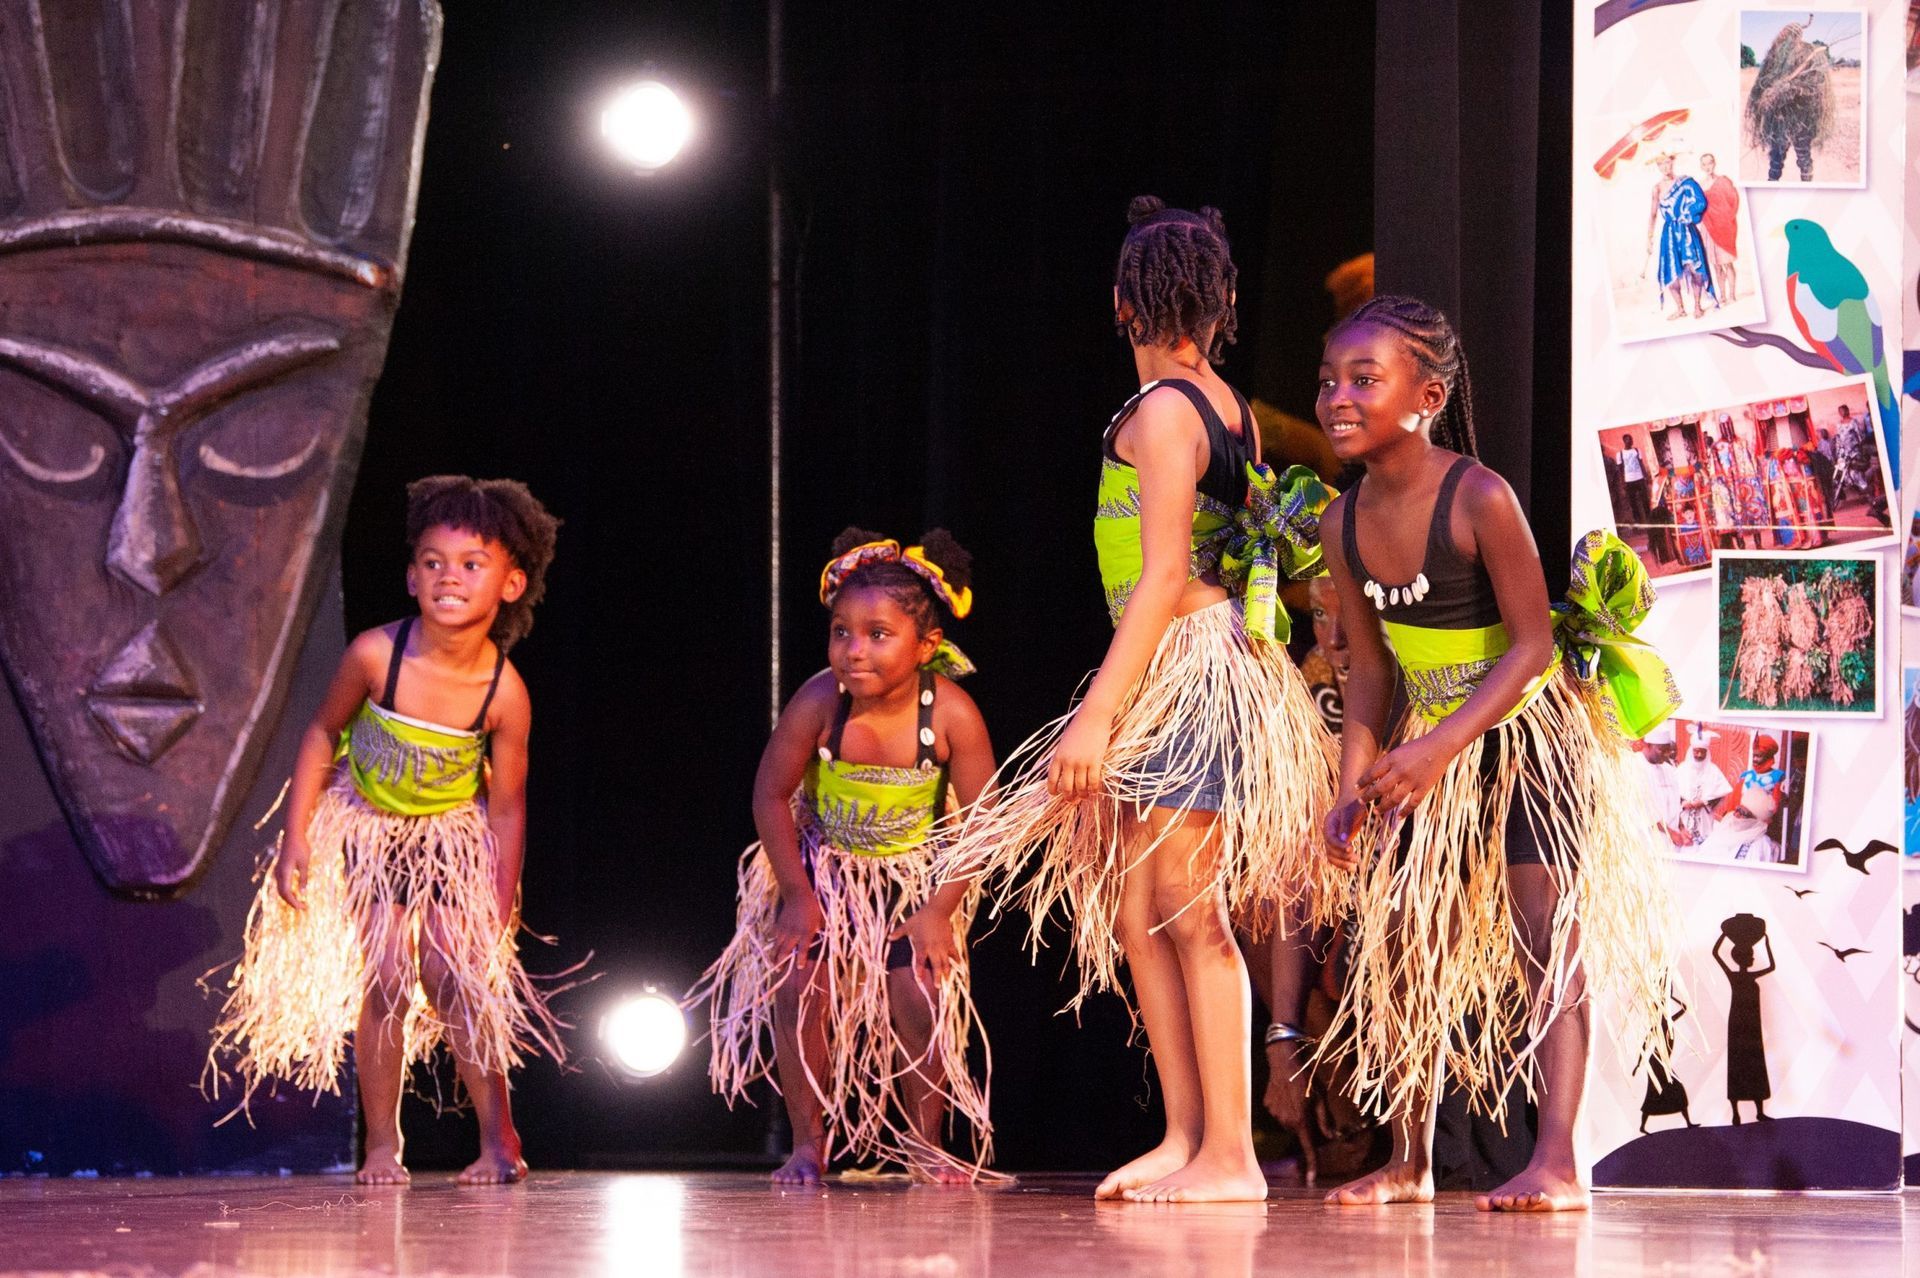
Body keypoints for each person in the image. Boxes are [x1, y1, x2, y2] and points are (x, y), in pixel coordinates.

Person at [924, 197, 1338, 1204]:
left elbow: (1159, 577)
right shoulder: (1221, 403)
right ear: (1224, 302)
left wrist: (1098, 713)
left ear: (1120, 303)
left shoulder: (1164, 411)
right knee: (1139, 914)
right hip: (1178, 666)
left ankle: (1231, 1154)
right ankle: (1186, 1136)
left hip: (1183, 668)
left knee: (1188, 914)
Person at [1311, 295, 1678, 1213]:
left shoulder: (1478, 496)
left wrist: (1439, 745)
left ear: (1426, 395)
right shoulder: (1340, 522)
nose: (1336, 398)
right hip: (1426, 746)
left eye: (1364, 380)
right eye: (1328, 381)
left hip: (1521, 737)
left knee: (1542, 940)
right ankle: (1409, 1158)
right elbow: (1369, 674)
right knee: (1403, 943)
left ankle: (1556, 1161)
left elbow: (1532, 646)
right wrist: (1356, 775)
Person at [206, 476, 565, 1185]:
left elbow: (507, 805)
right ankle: (381, 1145)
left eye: (471, 565)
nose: (449, 578)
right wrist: (296, 838)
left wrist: (498, 895)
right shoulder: (377, 655)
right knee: (388, 979)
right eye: (433, 563)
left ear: (512, 584)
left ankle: (499, 1139)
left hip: (448, 839)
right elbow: (320, 732)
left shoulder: (505, 694)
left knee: (453, 977)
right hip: (371, 831)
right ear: (410, 577)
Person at [691, 529, 997, 1185]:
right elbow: (770, 796)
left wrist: (941, 910)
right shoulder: (817, 702)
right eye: (841, 632)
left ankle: (926, 1142)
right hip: (827, 874)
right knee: (799, 985)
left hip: (912, 882)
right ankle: (807, 1143)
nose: (854, 651)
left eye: (877, 634)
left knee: (919, 994)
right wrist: (799, 897)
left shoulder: (950, 715)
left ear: (927, 645)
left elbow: (983, 824)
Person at [1746, 22, 1835, 183]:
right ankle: (1771, 185)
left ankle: (1806, 184)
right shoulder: (1774, 54)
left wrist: (1789, 89)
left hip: (1801, 119)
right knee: (1776, 159)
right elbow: (1763, 82)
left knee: (1804, 158)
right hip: (1778, 118)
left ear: (1796, 36)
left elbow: (1816, 84)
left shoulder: (1809, 52)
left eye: (1787, 36)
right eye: (1782, 36)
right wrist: (1765, 97)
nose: (1783, 39)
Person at [1645, 153, 1714, 320]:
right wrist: (1649, 237)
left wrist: (1687, 214)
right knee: (1671, 272)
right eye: (1661, 164)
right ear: (1658, 167)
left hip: (1687, 230)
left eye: (1667, 163)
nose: (1665, 167)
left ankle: (1697, 306)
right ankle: (1680, 308)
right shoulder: (1657, 188)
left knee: (1695, 268)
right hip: (1669, 233)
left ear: (1672, 163)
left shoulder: (1685, 182)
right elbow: (1653, 214)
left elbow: (1701, 202)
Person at [1676, 729, 1734, 846]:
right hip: (1684, 815)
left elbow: (1721, 792)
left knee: (1703, 845)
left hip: (1704, 816)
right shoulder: (1682, 769)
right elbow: (1672, 791)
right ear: (1691, 750)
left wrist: (1704, 802)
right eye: (1696, 751)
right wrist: (1683, 802)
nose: (1699, 755)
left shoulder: (1713, 770)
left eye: (1703, 752)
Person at [1697, 153, 1740, 303]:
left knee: (1727, 263)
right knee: (1716, 265)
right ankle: (1722, 295)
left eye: (1710, 163)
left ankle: (1732, 295)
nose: (1708, 166)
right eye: (1704, 164)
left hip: (1723, 227)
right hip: (1708, 229)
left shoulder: (1723, 181)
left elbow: (1733, 201)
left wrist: (1726, 219)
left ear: (1714, 163)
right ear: (1701, 167)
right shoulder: (1700, 186)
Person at [1616, 435, 1651, 533]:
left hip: (1639, 479)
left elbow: (1641, 463)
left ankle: (1650, 523)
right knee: (1633, 504)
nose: (1630, 441)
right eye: (1628, 440)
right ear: (1624, 441)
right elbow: (1620, 469)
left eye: (1631, 440)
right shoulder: (1620, 454)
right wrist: (1623, 482)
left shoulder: (1636, 450)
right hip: (1629, 481)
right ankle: (1638, 526)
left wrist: (1645, 476)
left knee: (1645, 501)